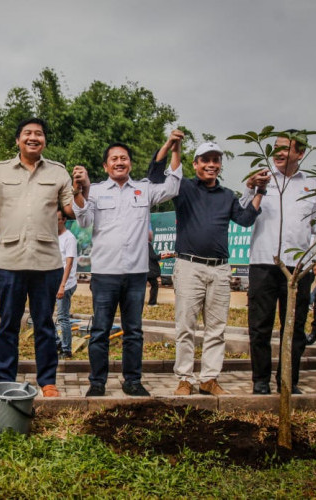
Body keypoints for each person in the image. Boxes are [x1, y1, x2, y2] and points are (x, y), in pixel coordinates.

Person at [148, 133, 265, 396]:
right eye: (206, 160)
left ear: (220, 165)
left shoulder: (227, 195)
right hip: (189, 266)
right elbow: (156, 177)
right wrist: (169, 145)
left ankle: (209, 378)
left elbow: (245, 219)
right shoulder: (183, 188)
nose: (211, 164)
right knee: (186, 327)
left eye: (216, 160)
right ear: (197, 163)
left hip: (221, 269)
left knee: (216, 328)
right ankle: (185, 379)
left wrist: (260, 191)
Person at [0, 118, 74, 397]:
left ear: (45, 141)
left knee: (45, 325)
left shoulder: (58, 172)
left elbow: (71, 210)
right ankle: (5, 380)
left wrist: (83, 188)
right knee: (8, 325)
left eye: (39, 134)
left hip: (46, 262)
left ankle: (48, 381)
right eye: (27, 133)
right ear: (17, 140)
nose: (33, 137)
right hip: (9, 261)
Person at [72, 141, 182, 397]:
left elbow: (173, 186)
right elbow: (84, 219)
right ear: (105, 165)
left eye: (124, 158)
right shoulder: (96, 191)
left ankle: (132, 380)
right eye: (114, 159)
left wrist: (175, 151)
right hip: (104, 273)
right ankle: (97, 382)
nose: (119, 162)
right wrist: (80, 189)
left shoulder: (144, 189)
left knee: (134, 331)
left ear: (130, 163)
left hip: (135, 274)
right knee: (100, 331)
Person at [240, 131, 316, 395]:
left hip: (297, 269)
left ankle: (288, 380)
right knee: (260, 326)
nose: (279, 152)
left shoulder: (313, 186)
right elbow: (242, 212)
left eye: (286, 148)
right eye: (275, 147)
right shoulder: (263, 180)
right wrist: (251, 187)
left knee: (295, 328)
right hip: (263, 263)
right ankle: (260, 380)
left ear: (300, 153)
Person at [55, 207, 78, 358]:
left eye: (57, 219)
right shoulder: (53, 236)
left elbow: (69, 263)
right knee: (41, 315)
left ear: (64, 220)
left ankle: (66, 349)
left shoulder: (69, 238)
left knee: (63, 317)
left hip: (66, 283)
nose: (53, 222)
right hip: (52, 281)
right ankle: (57, 342)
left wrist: (62, 285)